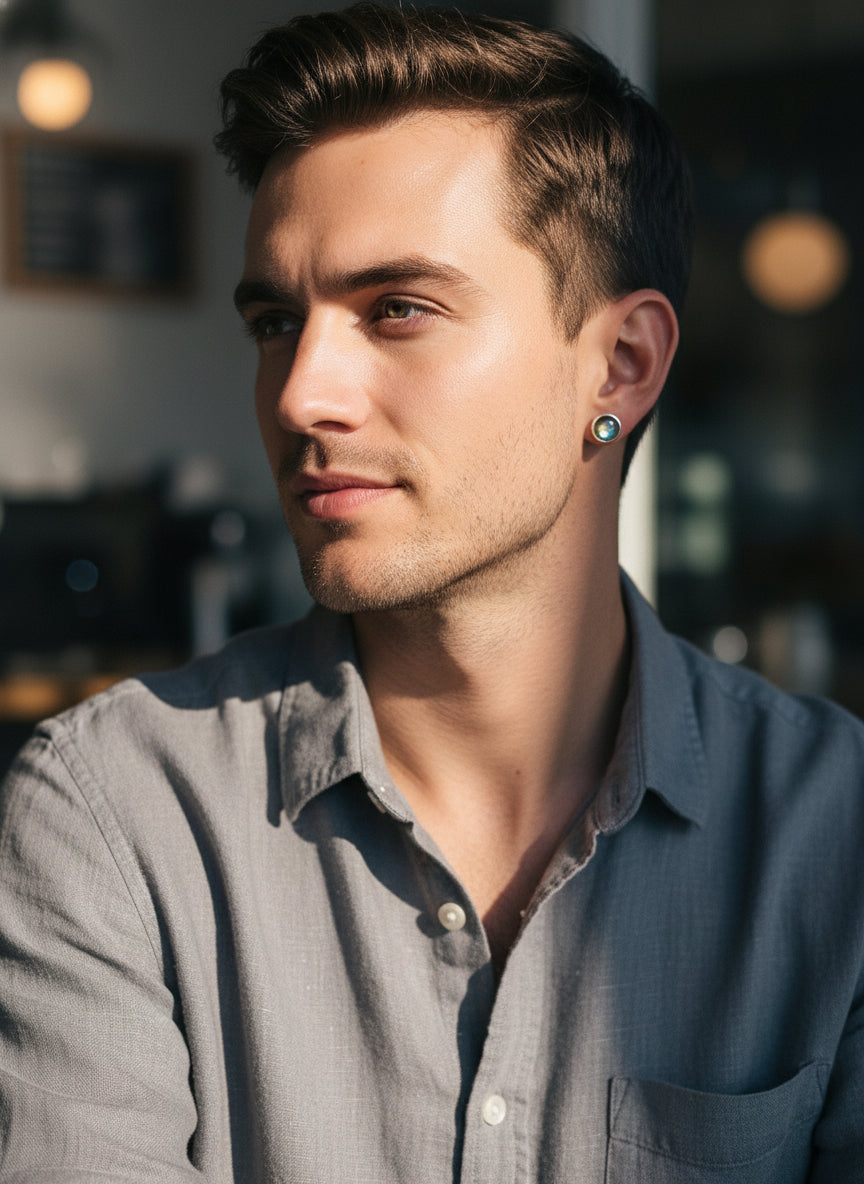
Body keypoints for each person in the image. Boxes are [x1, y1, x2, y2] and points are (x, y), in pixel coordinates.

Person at [1, 5, 862, 1181]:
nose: (303, 393)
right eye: (275, 320)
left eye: (399, 308)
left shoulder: (835, 835)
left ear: (619, 366)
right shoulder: (116, 815)